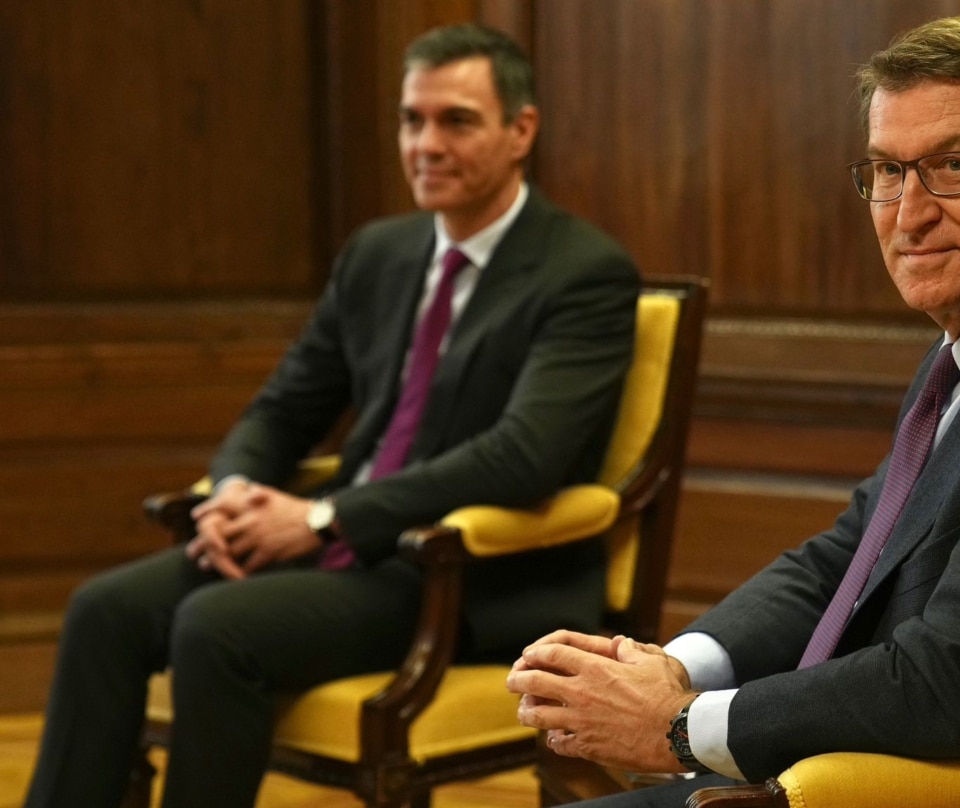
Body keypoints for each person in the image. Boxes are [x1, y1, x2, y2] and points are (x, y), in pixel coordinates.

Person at [505, 12, 960, 806]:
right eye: (887, 171)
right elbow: (846, 562)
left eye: (953, 167)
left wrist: (679, 726)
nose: (908, 214)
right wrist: (678, 667)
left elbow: (950, 683)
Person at [24, 23, 640, 808]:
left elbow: (523, 455)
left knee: (218, 627)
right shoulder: (377, 254)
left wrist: (321, 518)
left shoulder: (583, 271)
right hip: (345, 545)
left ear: (521, 130)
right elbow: (285, 406)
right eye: (411, 120)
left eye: (456, 120)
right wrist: (234, 491)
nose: (426, 144)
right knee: (103, 609)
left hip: (459, 569)